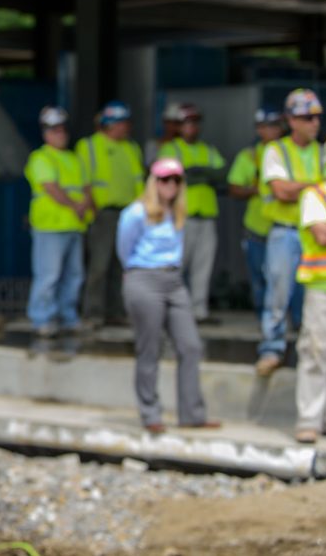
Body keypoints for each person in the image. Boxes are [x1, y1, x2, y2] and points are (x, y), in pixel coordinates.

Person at [117, 158, 220, 433]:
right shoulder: (136, 213)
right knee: (149, 348)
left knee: (190, 345)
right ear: (154, 182)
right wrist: (135, 272)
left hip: (173, 280)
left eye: (176, 180)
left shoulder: (178, 212)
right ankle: (150, 413)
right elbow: (124, 248)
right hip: (144, 277)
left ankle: (192, 413)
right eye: (164, 180)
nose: (170, 185)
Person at [256, 88, 326, 377]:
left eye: (317, 117)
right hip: (285, 233)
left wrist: (300, 186)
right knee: (279, 291)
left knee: (312, 297)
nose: (314, 123)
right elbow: (281, 191)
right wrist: (315, 186)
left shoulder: (323, 152)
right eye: (307, 118)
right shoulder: (276, 150)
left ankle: (304, 350)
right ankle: (271, 349)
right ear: (291, 120)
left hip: (316, 235)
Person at [292, 127, 326, 443]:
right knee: (316, 353)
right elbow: (322, 235)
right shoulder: (317, 195)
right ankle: (309, 420)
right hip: (323, 287)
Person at [24, 106, 92, 337]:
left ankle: (68, 318)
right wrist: (77, 206)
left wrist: (84, 205)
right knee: (49, 276)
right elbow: (52, 189)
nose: (60, 134)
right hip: (50, 226)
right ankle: (41, 318)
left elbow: (86, 187)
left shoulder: (74, 158)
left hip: (74, 225)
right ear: (45, 133)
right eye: (54, 130)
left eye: (63, 129)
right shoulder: (40, 158)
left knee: (74, 276)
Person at [76, 100, 144, 328]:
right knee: (99, 265)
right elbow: (84, 179)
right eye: (123, 123)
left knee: (121, 266)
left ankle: (115, 312)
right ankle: (92, 313)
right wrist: (91, 208)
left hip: (127, 214)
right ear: (110, 124)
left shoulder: (131, 147)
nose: (127, 127)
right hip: (103, 213)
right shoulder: (89, 146)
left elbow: (138, 183)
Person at [158, 103, 226, 324]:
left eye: (195, 123)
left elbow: (221, 174)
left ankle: (199, 311)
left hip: (206, 215)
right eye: (187, 123)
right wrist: (197, 175)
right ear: (179, 126)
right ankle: (171, 309)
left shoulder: (208, 149)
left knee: (203, 266)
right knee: (176, 265)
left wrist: (196, 173)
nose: (192, 128)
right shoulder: (170, 149)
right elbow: (173, 178)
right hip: (181, 216)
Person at [228, 108, 284, 318]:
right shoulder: (249, 156)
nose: (272, 130)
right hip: (256, 228)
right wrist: (254, 189)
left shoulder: (286, 153)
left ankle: (291, 323)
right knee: (259, 279)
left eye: (276, 125)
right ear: (259, 129)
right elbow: (233, 188)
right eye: (267, 126)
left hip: (283, 227)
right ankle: (264, 321)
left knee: (285, 281)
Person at [144, 100, 183, 166]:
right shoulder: (152, 145)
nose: (173, 127)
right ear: (164, 123)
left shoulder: (185, 146)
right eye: (170, 122)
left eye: (176, 123)